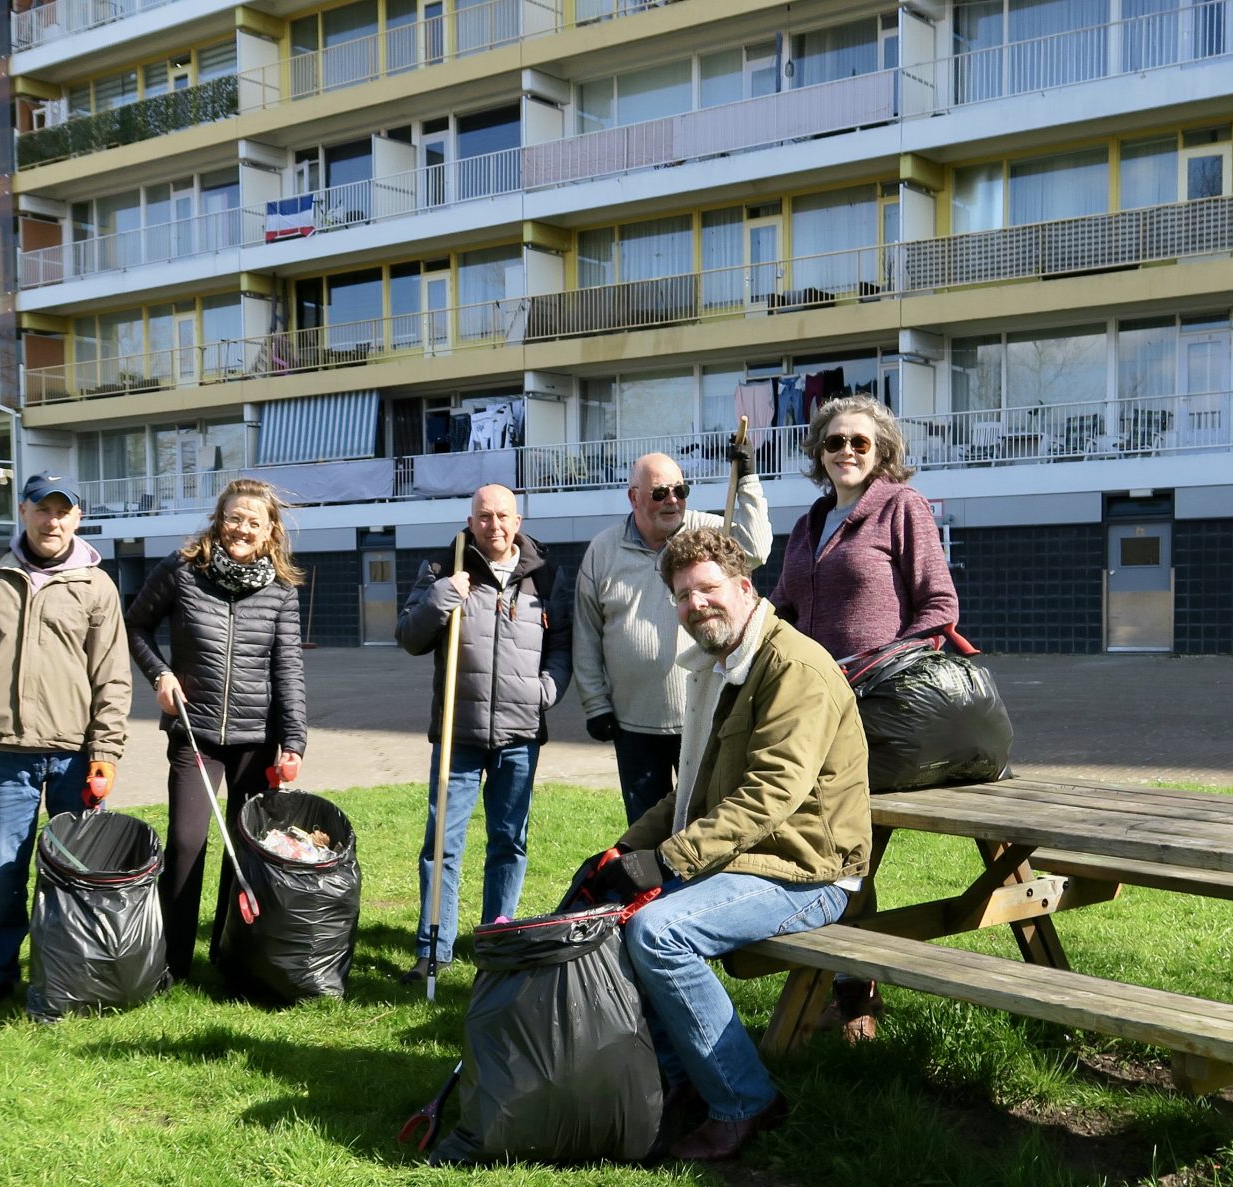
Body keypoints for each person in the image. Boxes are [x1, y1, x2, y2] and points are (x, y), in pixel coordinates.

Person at [589, 525, 870, 1162]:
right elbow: (693, 790)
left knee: (659, 933)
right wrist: (621, 849)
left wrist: (664, 862)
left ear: (744, 588)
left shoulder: (792, 667)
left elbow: (770, 795)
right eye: (683, 597)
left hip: (809, 873)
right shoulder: (724, 667)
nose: (697, 605)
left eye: (708, 590)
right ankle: (680, 1080)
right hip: (752, 857)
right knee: (612, 915)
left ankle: (745, 1100)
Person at [769, 393, 959, 1042]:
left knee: (847, 852)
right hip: (809, 717)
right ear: (819, 455)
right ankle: (846, 987)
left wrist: (867, 667)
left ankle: (854, 997)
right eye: (834, 442)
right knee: (825, 851)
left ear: (883, 453)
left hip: (876, 713)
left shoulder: (902, 508)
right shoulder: (807, 523)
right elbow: (780, 611)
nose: (847, 451)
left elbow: (938, 610)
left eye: (860, 442)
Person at [0, 474, 132, 1017]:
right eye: (43, 509)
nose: (53, 521)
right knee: (5, 873)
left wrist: (106, 754)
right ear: (23, 512)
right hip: (6, 752)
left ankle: (74, 972)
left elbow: (113, 676)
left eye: (64, 511)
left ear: (79, 518)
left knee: (77, 875)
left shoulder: (96, 586)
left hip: (76, 755)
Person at [125, 479, 309, 981]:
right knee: (187, 842)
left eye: (254, 521)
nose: (242, 529)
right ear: (218, 519)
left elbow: (288, 669)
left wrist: (292, 741)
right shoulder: (183, 570)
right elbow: (136, 625)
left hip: (256, 739)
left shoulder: (281, 590)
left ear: (270, 529)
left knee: (244, 850)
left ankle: (230, 956)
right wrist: (160, 674)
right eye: (234, 518)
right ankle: (173, 963)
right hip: (195, 732)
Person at [396, 483, 569, 982]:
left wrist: (545, 691)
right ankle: (434, 949)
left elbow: (562, 646)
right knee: (442, 846)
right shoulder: (443, 567)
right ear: (471, 521)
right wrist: (440, 598)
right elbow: (409, 637)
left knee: (508, 841)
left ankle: (498, 942)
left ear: (519, 521)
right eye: (484, 516)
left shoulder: (546, 575)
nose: (494, 525)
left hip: (521, 733)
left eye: (503, 516)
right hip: (459, 733)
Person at [572, 445, 770, 824]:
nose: (672, 501)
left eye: (681, 490)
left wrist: (748, 480)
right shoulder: (603, 550)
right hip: (634, 725)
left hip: (704, 714)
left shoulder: (707, 533)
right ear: (633, 497)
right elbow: (587, 631)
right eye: (660, 493)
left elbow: (757, 548)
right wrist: (595, 703)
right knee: (646, 830)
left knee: (705, 823)